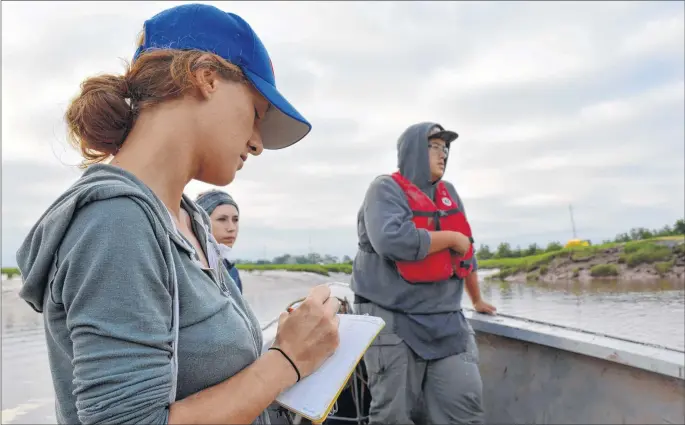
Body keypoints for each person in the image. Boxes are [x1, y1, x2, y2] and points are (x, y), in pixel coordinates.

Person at [15, 4, 340, 424]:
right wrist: (288, 359)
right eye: (257, 115)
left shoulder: (190, 220)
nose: (257, 143)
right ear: (206, 77)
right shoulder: (117, 221)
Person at [350, 122, 497, 424]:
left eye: (445, 148)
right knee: (394, 415)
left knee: (464, 407)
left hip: (446, 322)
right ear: (412, 150)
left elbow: (466, 254)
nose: (442, 154)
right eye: (434, 146)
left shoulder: (449, 193)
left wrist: (478, 300)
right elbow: (393, 240)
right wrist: (452, 239)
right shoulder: (385, 189)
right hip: (393, 319)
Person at [196, 189, 244, 293]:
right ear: (202, 222)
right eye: (222, 219)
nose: (231, 228)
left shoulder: (232, 271)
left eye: (235, 220)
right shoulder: (191, 268)